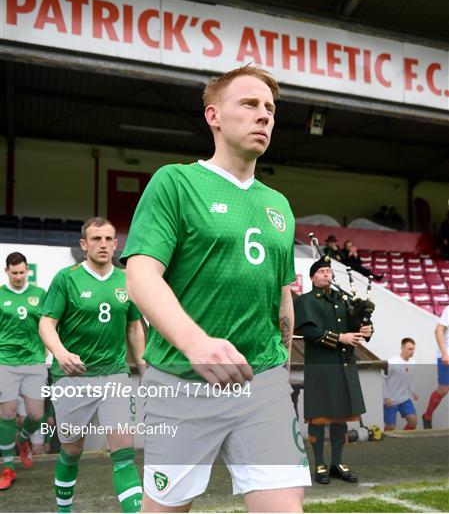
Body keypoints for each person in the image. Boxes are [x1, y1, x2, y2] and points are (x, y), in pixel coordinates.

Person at [122, 64, 311, 513]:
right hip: (182, 383)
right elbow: (141, 275)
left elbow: (282, 297)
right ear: (214, 116)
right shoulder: (176, 182)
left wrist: (280, 368)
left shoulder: (277, 204)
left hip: (261, 384)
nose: (264, 115)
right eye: (249, 104)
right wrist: (195, 343)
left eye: (270, 108)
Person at [39, 217, 146, 513]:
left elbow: (135, 328)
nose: (103, 244)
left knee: (123, 453)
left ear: (116, 244)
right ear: (84, 244)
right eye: (96, 239)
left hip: (115, 376)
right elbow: (47, 323)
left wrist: (146, 368)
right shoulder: (66, 278)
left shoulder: (127, 279)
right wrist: (60, 353)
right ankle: (63, 510)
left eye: (108, 239)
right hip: (72, 378)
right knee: (72, 449)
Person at [294, 257, 372, 485]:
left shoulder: (342, 300)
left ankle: (337, 463)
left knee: (340, 416)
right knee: (318, 417)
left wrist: (365, 329)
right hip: (320, 366)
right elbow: (309, 332)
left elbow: (356, 325)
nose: (326, 274)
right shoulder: (306, 301)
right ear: (312, 277)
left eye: (328, 271)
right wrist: (341, 338)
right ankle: (319, 463)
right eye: (321, 272)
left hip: (344, 365)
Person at [0, 252, 47, 490]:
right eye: (14, 272)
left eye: (22, 272)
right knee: (7, 413)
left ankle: (24, 440)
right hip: (6, 361)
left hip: (35, 361)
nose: (19, 276)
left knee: (36, 415)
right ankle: (7, 468)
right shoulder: (0, 295)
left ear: (27, 271)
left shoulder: (39, 295)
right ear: (6, 271)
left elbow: (49, 325)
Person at [422, 305, 449, 429]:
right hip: (447, 355)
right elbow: (438, 330)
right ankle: (427, 416)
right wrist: (444, 352)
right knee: (443, 389)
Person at [382, 338, 418, 431]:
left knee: (413, 422)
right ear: (402, 348)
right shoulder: (392, 362)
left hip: (404, 399)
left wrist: (413, 391)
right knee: (390, 427)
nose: (412, 351)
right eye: (409, 349)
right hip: (390, 400)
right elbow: (382, 379)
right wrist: (386, 397)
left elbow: (409, 379)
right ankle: (385, 443)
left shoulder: (412, 363)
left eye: (413, 349)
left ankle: (404, 439)